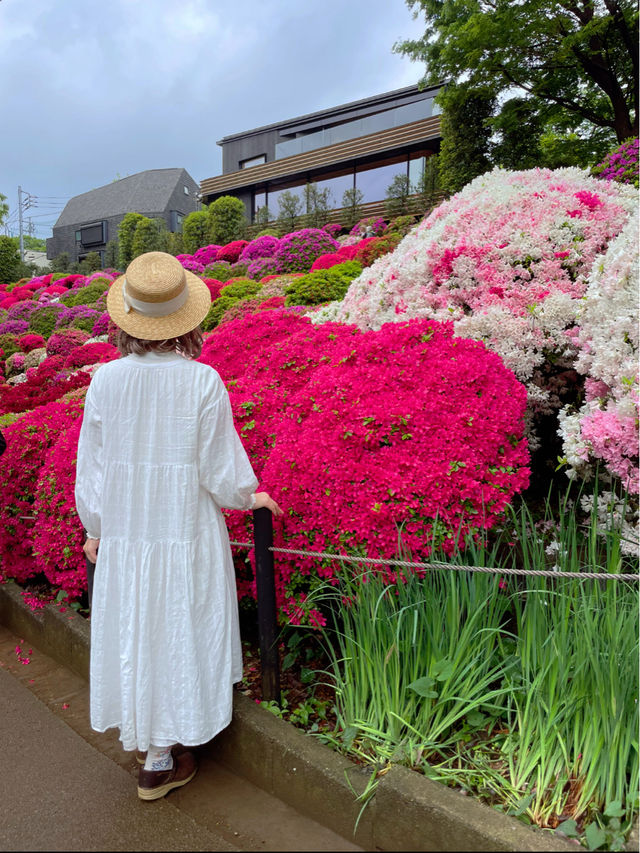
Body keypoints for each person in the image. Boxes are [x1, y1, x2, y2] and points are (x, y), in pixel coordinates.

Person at [74, 251, 282, 802]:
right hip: (184, 528)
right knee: (181, 626)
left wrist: (95, 527)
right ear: (187, 318)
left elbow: (91, 468)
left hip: (127, 532)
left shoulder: (105, 382)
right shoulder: (202, 382)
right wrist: (250, 496)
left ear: (129, 319)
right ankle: (166, 752)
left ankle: (150, 750)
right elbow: (219, 471)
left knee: (137, 627)